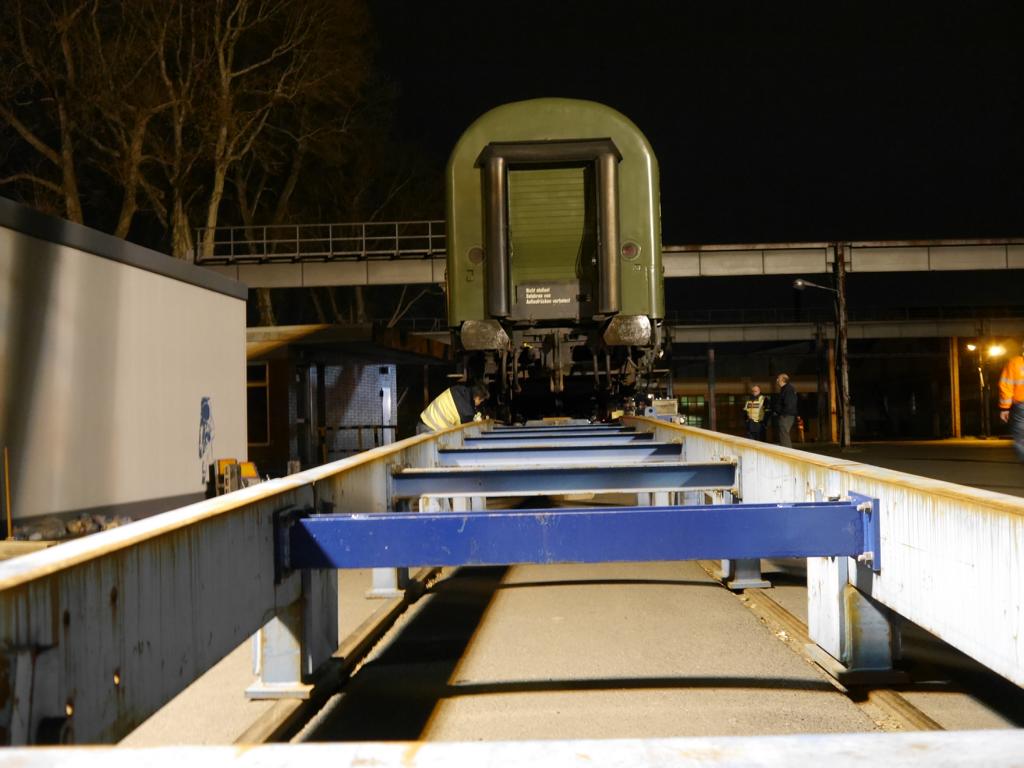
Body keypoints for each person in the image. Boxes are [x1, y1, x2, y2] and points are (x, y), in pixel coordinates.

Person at [417, 381, 489, 433]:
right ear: (477, 398)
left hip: (422, 421)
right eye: (481, 401)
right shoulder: (467, 412)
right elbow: (465, 432)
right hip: (432, 430)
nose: (479, 404)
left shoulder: (457, 389)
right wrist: (476, 422)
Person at [998, 340, 1024, 461]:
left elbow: (1006, 386)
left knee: (1020, 438)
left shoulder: (1014, 363)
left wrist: (1004, 408)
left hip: (1021, 407)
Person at [774, 373, 798, 448]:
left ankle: (787, 450)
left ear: (783, 380)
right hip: (785, 415)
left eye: (778, 378)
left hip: (786, 415)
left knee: (784, 434)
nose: (777, 380)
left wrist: (782, 413)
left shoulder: (788, 389)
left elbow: (789, 404)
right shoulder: (785, 389)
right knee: (783, 433)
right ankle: (785, 449)